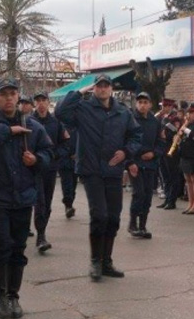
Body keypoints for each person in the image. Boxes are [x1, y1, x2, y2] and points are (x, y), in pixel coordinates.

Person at [0, 78, 53, 319]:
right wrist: (8, 131)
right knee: (0, 243)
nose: (8, 98)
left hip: (23, 197)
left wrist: (36, 160)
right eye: (3, 94)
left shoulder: (34, 127)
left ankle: (13, 295)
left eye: (12, 93)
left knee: (17, 247)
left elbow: (49, 153)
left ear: (18, 97)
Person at [55, 73, 142, 281]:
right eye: (99, 86)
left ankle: (106, 261)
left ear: (111, 88)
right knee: (99, 215)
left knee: (113, 218)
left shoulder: (122, 111)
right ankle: (95, 261)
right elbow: (60, 112)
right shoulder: (83, 108)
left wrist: (126, 152)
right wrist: (79, 91)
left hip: (113, 170)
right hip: (91, 170)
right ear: (94, 89)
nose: (102, 89)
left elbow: (136, 135)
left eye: (106, 86)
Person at [30, 91, 67, 253]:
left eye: (43, 100)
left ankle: (42, 231)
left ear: (48, 102)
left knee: (47, 202)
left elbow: (66, 143)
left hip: (50, 168)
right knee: (39, 202)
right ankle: (40, 236)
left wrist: (55, 154)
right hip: (34, 168)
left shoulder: (56, 123)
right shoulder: (28, 122)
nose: (41, 104)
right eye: (38, 101)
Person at [127, 92, 166, 238]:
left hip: (150, 163)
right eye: (140, 102)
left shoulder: (155, 122)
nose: (142, 105)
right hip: (135, 163)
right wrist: (129, 162)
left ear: (150, 104)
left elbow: (161, 142)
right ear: (136, 104)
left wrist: (154, 153)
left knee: (148, 194)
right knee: (139, 193)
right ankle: (132, 224)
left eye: (145, 102)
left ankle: (142, 225)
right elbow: (125, 141)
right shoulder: (130, 120)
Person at [158, 113, 184, 210]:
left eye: (167, 106)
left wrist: (165, 135)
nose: (165, 108)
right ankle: (167, 198)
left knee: (173, 177)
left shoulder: (174, 119)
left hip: (171, 152)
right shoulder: (162, 118)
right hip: (162, 151)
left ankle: (172, 201)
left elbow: (176, 134)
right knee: (165, 178)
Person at [57, 126, 78, 219]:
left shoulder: (78, 123)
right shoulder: (60, 124)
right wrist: (66, 153)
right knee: (67, 184)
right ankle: (68, 205)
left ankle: (70, 203)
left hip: (76, 161)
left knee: (73, 185)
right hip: (64, 160)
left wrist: (78, 153)